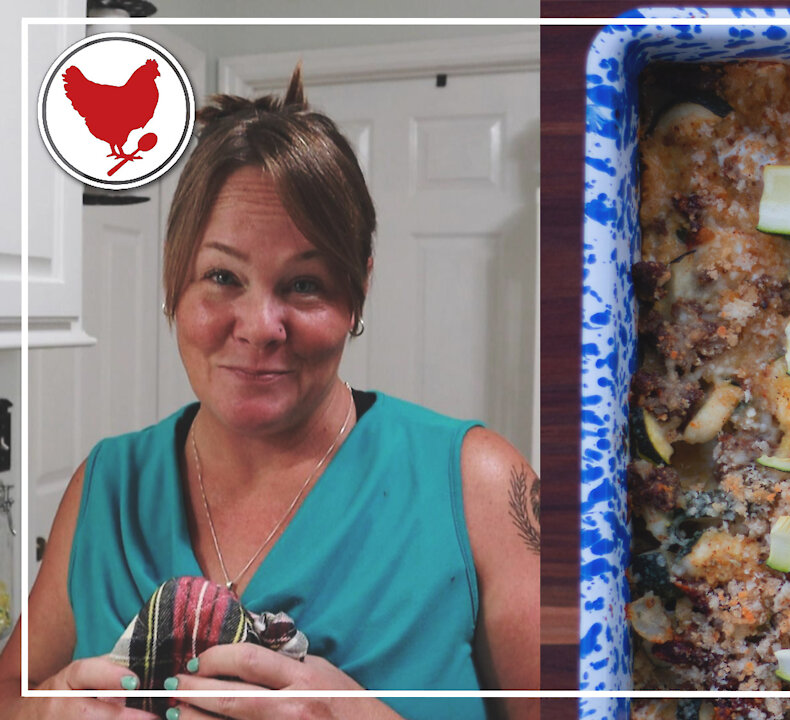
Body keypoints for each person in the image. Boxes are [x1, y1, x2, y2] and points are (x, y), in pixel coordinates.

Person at [0, 67, 539, 720]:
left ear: (358, 289)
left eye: (304, 283)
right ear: (175, 279)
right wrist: (37, 711)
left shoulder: (476, 485)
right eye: (222, 275)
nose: (260, 328)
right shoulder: (107, 486)